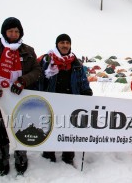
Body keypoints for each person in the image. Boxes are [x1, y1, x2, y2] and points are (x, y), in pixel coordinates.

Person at [0, 17, 41, 176]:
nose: (13, 34)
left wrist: (24, 81)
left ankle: (21, 156)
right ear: (4, 31)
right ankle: (2, 157)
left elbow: (37, 71)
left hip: (20, 101)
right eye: (10, 31)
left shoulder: (28, 51)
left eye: (17, 31)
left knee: (21, 129)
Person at [38, 34, 93, 165]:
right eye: (62, 42)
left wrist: (86, 90)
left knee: (69, 128)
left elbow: (82, 80)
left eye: (67, 43)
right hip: (51, 101)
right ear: (57, 44)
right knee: (50, 127)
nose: (65, 45)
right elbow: (40, 79)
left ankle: (68, 156)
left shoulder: (76, 63)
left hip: (71, 102)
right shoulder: (47, 60)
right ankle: (49, 154)